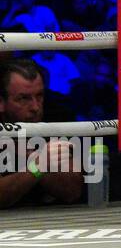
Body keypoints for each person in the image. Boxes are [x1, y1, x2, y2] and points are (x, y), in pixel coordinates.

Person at [0, 60, 84, 208]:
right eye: (23, 98)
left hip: (50, 224)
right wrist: (37, 166)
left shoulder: (55, 118)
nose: (35, 107)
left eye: (39, 96)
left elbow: (72, 191)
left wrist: (33, 157)